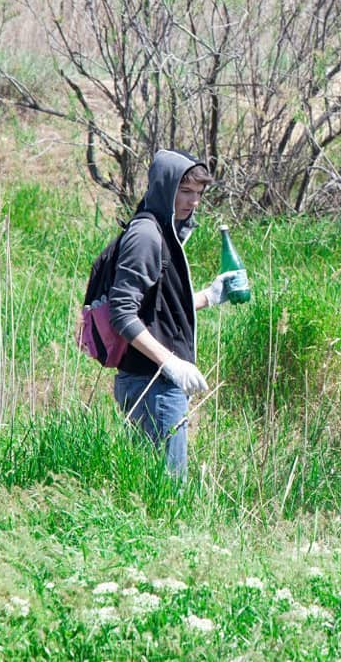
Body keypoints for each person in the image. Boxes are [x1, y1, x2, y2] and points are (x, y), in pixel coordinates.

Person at [108, 149, 241, 478]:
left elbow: (156, 308)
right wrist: (170, 363)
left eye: (198, 193)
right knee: (169, 491)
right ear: (164, 187)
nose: (193, 201)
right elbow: (121, 312)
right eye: (185, 191)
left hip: (153, 382)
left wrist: (210, 297)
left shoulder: (163, 232)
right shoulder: (146, 236)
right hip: (151, 383)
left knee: (147, 486)